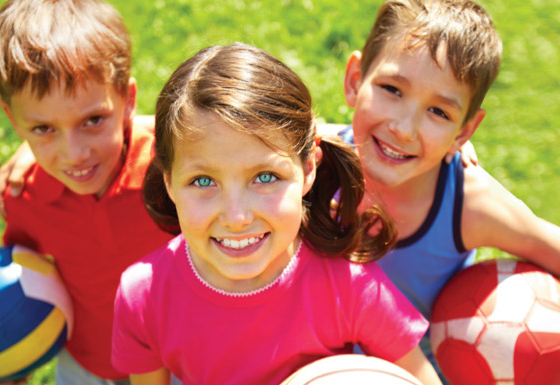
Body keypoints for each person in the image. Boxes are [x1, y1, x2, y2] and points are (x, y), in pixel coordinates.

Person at [110, 42, 442, 385]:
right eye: (203, 181)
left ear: (309, 167)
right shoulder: (144, 296)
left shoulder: (350, 286)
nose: (236, 216)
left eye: (265, 177)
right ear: (169, 182)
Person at [335, 0, 560, 384]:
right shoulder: (313, 160)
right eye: (391, 89)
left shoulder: (467, 204)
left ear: (465, 131)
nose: (404, 127)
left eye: (440, 113)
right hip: (316, 368)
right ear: (356, 80)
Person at [0, 0, 174, 383]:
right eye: (44, 128)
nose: (75, 153)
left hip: (182, 359)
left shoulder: (174, 165)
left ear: (127, 100)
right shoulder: (23, 198)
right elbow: (25, 288)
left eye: (92, 120)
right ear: (13, 120)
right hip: (88, 365)